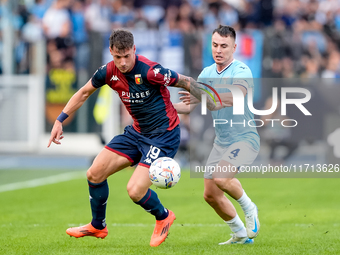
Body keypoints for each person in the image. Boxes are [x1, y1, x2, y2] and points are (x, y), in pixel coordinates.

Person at [47, 29, 216, 247]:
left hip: (163, 136)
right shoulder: (107, 72)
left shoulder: (150, 71)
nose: (123, 62)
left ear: (134, 50)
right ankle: (98, 226)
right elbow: (83, 93)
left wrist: (210, 100)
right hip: (137, 133)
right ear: (111, 52)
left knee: (135, 190)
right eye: (118, 57)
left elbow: (185, 81)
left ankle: (163, 216)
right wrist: (60, 119)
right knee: (94, 173)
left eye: (127, 56)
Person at [177, 25, 261, 245]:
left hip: (245, 139)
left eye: (224, 46)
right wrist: (160, 105)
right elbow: (188, 106)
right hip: (221, 142)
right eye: (215, 45)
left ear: (234, 47)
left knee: (222, 178)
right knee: (210, 195)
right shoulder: (206, 73)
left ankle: (250, 208)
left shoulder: (241, 70)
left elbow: (236, 96)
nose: (219, 50)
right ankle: (240, 235)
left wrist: (204, 95)